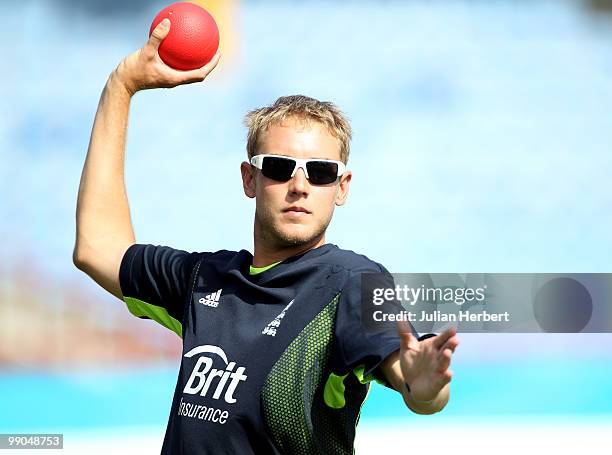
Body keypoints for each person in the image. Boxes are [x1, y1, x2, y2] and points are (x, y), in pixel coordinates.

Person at [73, 18, 460, 455]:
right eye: (278, 167)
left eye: (320, 172)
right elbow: (97, 249)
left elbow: (412, 379)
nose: (299, 185)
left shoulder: (352, 280)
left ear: (342, 187)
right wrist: (120, 87)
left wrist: (424, 386)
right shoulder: (206, 278)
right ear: (249, 179)